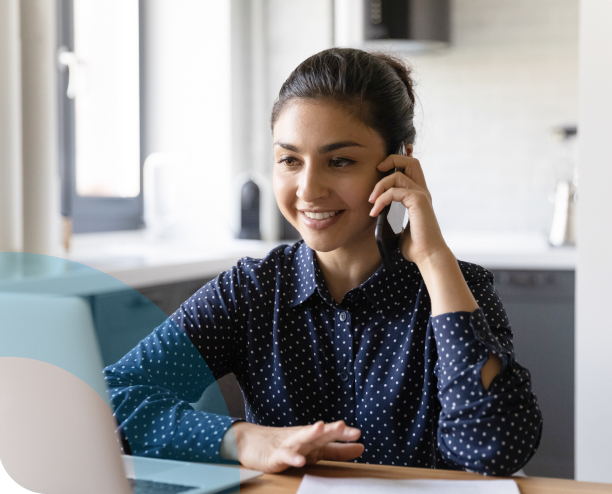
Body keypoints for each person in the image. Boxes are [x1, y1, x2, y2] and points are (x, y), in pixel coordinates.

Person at [104, 48, 542, 476]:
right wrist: (248, 439)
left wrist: (433, 257)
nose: (308, 189)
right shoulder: (251, 290)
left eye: (340, 161)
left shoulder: (455, 288)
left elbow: (493, 450)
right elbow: (107, 399)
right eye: (290, 160)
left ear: (399, 163)